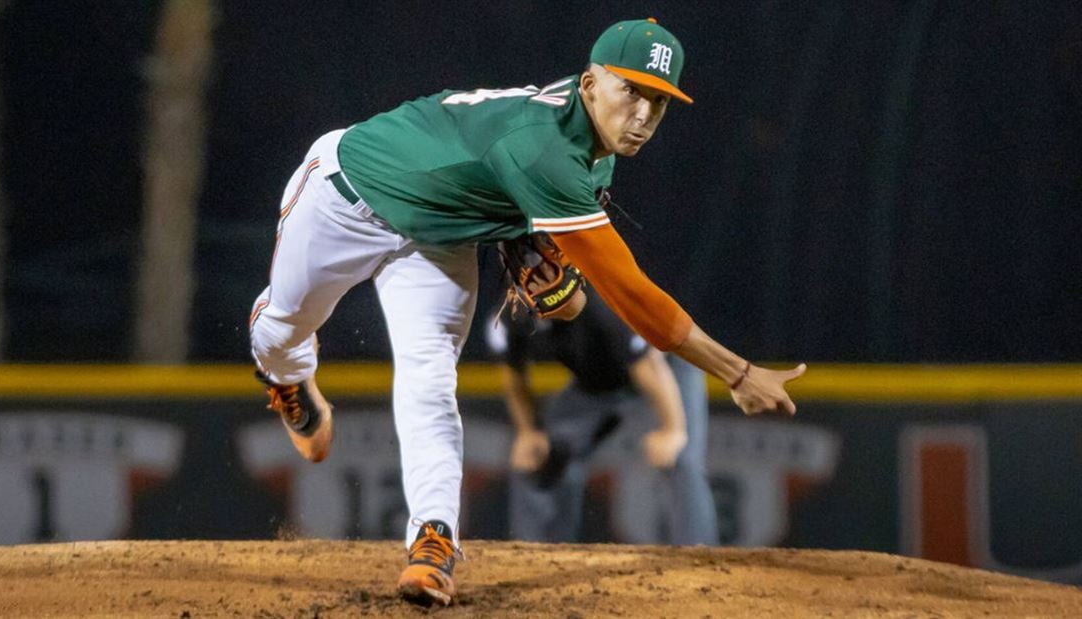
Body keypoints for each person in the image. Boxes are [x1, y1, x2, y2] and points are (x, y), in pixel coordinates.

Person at [247, 17, 806, 606]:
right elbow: (635, 299)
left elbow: (569, 300)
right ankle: (289, 380)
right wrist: (737, 373)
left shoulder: (595, 150)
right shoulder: (546, 149)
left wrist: (548, 271)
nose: (643, 114)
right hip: (346, 195)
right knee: (281, 329)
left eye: (660, 101)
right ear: (590, 84)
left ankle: (433, 542)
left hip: (440, 239)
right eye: (632, 91)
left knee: (432, 376)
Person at [488, 293, 719, 545]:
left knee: (680, 456)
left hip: (664, 370)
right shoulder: (516, 308)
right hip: (596, 384)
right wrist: (528, 431)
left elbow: (648, 364)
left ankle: (700, 555)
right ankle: (538, 553)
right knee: (537, 455)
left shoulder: (596, 297)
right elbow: (515, 376)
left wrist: (672, 429)